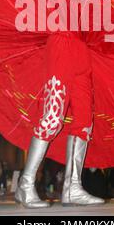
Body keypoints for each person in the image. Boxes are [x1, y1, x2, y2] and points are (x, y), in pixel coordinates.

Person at [15, 32, 105, 208]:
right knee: (52, 117)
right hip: (60, 42)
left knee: (84, 122)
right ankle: (25, 184)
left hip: (82, 48)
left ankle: (73, 188)